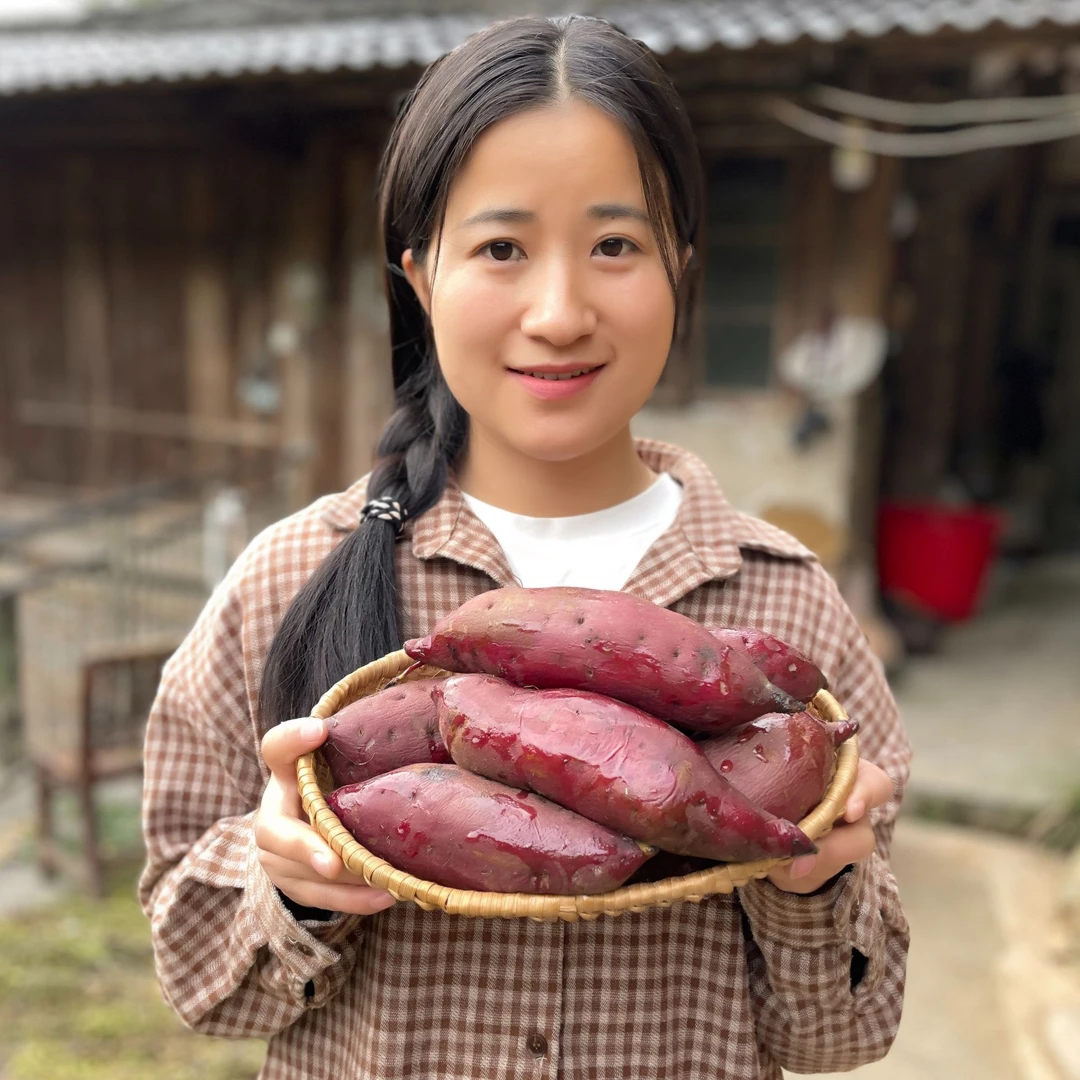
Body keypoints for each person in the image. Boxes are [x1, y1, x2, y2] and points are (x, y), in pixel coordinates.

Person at [139, 15, 911, 1079]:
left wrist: (815, 884)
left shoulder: (788, 611)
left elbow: (845, 1037)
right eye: (501, 248)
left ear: (681, 268)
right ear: (418, 275)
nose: (559, 312)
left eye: (614, 246)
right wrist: (286, 881)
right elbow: (192, 974)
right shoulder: (287, 581)